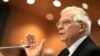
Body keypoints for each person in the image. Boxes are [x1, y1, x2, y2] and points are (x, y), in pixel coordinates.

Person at [24, 6, 100, 56]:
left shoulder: (93, 53)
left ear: (81, 27)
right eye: (59, 23)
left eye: (66, 22)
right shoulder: (63, 52)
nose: (59, 27)